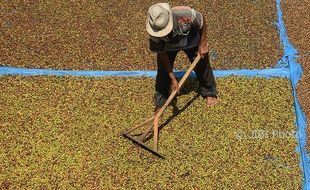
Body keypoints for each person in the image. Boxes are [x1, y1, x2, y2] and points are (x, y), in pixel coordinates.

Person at [146, 3, 218, 113]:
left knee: (202, 65)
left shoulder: (184, 14)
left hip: (191, 39)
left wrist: (203, 43)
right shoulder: (154, 33)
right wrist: (173, 78)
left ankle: (209, 92)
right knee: (163, 72)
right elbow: (162, 54)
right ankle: (161, 102)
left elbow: (201, 20)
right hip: (168, 47)